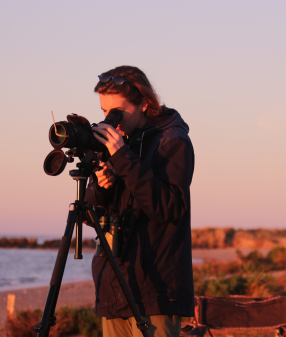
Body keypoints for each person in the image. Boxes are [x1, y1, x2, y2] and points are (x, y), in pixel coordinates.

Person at [85, 65, 195, 337]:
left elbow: (167, 208)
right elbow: (90, 217)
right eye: (104, 112)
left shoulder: (173, 141)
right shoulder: (115, 143)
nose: (111, 119)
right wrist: (102, 186)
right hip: (114, 288)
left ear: (145, 103)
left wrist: (122, 157)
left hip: (156, 293)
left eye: (117, 111)